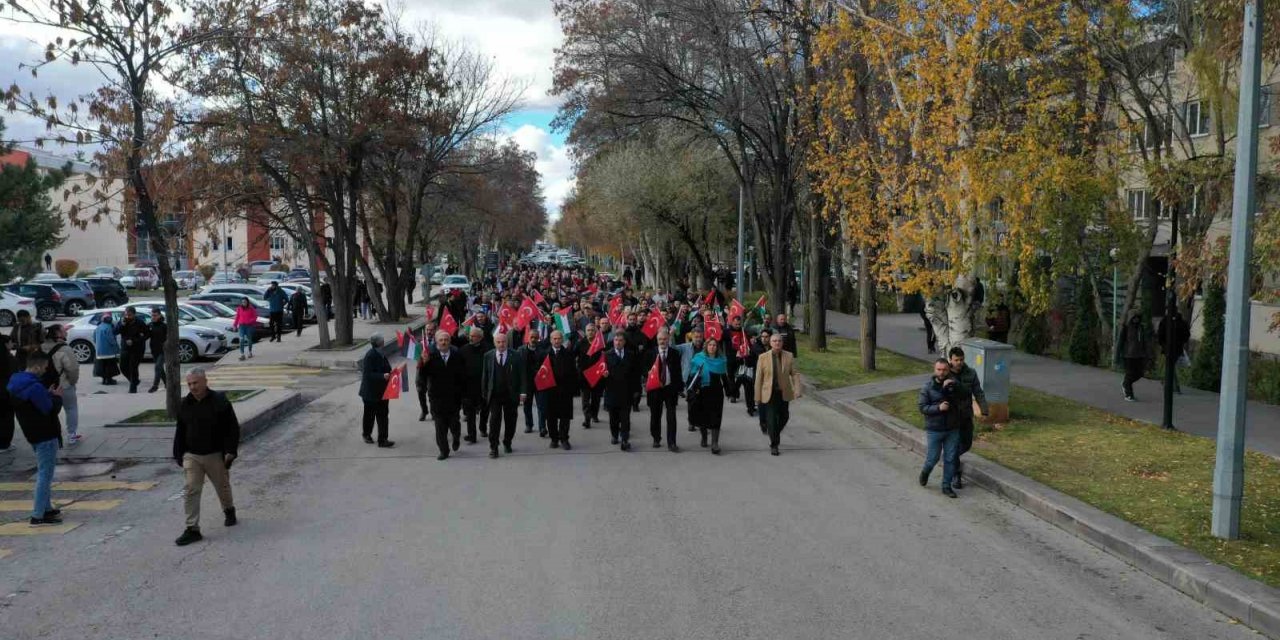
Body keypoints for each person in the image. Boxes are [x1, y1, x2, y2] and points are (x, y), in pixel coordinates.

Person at [172, 368, 241, 546]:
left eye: (195, 383)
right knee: (191, 489)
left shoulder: (219, 402)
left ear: (205, 381)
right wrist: (178, 453)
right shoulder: (185, 404)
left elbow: (232, 428)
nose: (192, 387)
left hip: (215, 454)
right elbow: (180, 430)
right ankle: (192, 529)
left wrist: (230, 451)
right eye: (189, 384)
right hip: (192, 455)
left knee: (222, 486)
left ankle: (229, 510)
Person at [7, 351, 63, 525]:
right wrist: (56, 397)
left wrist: (46, 394)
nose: (46, 370)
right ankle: (38, 514)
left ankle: (46, 508)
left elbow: (33, 404)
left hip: (32, 432)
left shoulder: (17, 383)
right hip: (45, 432)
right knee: (45, 474)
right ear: (37, 366)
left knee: (44, 471)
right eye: (45, 366)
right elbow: (49, 409)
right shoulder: (35, 387)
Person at [918, 359, 961, 498]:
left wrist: (952, 387)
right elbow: (922, 408)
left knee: (950, 458)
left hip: (952, 428)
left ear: (948, 370)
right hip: (935, 429)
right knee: (933, 458)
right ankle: (925, 472)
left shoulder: (954, 384)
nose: (942, 372)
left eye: (944, 370)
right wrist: (938, 408)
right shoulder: (927, 387)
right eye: (939, 369)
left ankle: (946, 486)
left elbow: (963, 396)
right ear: (934, 369)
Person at [947, 346, 987, 489]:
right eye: (956, 360)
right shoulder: (945, 374)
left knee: (967, 444)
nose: (959, 362)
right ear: (950, 360)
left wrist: (984, 409)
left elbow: (978, 392)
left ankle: (950, 457)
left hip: (966, 415)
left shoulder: (971, 373)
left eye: (961, 360)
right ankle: (956, 474)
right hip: (951, 417)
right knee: (955, 444)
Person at [481, 332, 525, 458]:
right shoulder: (488, 356)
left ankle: (507, 442)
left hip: (511, 395)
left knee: (511, 420)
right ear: (495, 343)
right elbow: (485, 375)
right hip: (495, 395)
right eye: (498, 342)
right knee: (494, 421)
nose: (501, 344)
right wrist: (484, 393)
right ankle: (493, 447)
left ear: (507, 342)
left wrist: (523, 392)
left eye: (503, 342)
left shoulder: (516, 355)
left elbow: (522, 375)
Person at [422, 330, 465, 460]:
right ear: (436, 343)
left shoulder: (457, 355)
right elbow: (423, 376)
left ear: (449, 342)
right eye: (441, 340)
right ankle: (443, 451)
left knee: (454, 424)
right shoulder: (430, 356)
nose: (444, 342)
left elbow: (463, 376)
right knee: (440, 427)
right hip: (437, 398)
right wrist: (424, 363)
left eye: (446, 340)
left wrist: (463, 394)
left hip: (454, 398)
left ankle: (456, 438)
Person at [755, 332, 798, 456]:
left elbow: (794, 373)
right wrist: (757, 396)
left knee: (785, 417)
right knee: (772, 419)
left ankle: (774, 433)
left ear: (782, 343)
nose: (777, 343)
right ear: (770, 343)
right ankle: (774, 444)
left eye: (779, 341)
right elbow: (759, 378)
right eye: (774, 341)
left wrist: (797, 389)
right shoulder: (763, 357)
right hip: (769, 393)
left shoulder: (788, 356)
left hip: (783, 392)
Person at [645, 329, 683, 452]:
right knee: (655, 415)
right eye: (660, 339)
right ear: (657, 340)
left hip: (670, 389)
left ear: (668, 340)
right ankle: (656, 438)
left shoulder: (674, 353)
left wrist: (679, 388)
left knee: (671, 417)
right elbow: (643, 368)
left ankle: (672, 442)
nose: (662, 341)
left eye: (665, 339)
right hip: (655, 389)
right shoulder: (651, 353)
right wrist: (647, 373)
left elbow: (678, 372)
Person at [689, 339, 729, 455]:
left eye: (714, 345)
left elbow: (724, 377)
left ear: (717, 347)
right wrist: (692, 389)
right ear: (706, 346)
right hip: (702, 391)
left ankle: (715, 443)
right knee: (703, 416)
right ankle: (704, 436)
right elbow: (692, 374)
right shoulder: (698, 358)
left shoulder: (721, 360)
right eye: (710, 345)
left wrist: (729, 390)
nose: (712, 347)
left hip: (716, 392)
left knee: (716, 416)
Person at [42, 325, 80, 446]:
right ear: (58, 333)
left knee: (48, 411)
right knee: (71, 408)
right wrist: (72, 382)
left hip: (45, 386)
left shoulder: (41, 347)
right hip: (63, 385)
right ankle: (71, 435)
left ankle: (50, 436)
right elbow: (73, 369)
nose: (66, 332)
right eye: (64, 331)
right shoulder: (65, 349)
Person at [543, 330, 579, 450]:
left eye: (559, 338)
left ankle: (564, 439)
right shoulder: (545, 354)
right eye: (554, 339)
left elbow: (574, 372)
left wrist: (573, 389)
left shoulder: (568, 354)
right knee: (551, 417)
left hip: (565, 390)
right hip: (550, 391)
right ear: (550, 340)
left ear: (562, 339)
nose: (557, 341)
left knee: (565, 417)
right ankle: (554, 439)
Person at [358, 334, 394, 448]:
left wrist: (392, 373)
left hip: (383, 391)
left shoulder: (381, 353)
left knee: (383, 415)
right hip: (370, 393)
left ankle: (383, 440)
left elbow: (387, 367)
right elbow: (368, 374)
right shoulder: (370, 355)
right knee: (369, 415)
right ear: (379, 343)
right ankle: (366, 434)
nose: (384, 341)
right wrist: (383, 376)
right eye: (382, 340)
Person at [459, 327, 493, 445]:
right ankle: (472, 435)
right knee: (470, 412)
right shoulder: (463, 350)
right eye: (470, 335)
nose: (471, 338)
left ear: (480, 337)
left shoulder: (488, 349)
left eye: (474, 336)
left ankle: (483, 428)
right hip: (469, 386)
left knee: (484, 409)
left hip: (484, 385)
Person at [603, 332, 637, 449]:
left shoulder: (630, 355)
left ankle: (625, 439)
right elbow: (601, 373)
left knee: (625, 418)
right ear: (613, 342)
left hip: (626, 391)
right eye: (616, 340)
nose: (618, 342)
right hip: (612, 391)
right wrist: (604, 376)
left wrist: (636, 390)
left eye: (620, 340)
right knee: (613, 417)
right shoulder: (607, 355)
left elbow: (634, 373)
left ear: (624, 342)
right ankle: (614, 435)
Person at [674, 329, 705, 433]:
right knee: (692, 401)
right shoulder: (685, 347)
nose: (698, 339)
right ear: (692, 337)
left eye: (700, 337)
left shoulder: (707, 347)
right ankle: (691, 422)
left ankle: (701, 422)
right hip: (689, 379)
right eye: (696, 337)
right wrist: (671, 335)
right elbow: (672, 348)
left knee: (702, 401)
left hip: (703, 378)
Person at [1117, 312, 1152, 402]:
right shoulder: (1126, 328)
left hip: (1139, 355)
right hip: (1129, 355)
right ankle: (1128, 394)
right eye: (1134, 318)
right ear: (1131, 318)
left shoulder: (1141, 328)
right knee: (1130, 374)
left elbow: (1145, 342)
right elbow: (1120, 342)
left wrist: (1148, 354)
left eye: (1138, 318)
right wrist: (1118, 355)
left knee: (1140, 374)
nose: (1136, 319)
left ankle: (1125, 384)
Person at [576, 323, 604, 429]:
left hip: (597, 375)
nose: (590, 332)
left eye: (592, 330)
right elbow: (573, 354)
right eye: (588, 330)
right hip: (584, 376)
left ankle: (594, 414)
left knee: (596, 398)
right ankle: (587, 418)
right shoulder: (580, 343)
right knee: (585, 399)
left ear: (596, 331)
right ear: (585, 331)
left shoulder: (600, 344)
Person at [1158, 309, 1191, 394]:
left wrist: (1163, 344)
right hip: (1177, 348)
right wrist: (1181, 342)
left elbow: (1160, 335)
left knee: (1170, 366)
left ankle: (1172, 386)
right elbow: (1186, 335)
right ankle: (1171, 385)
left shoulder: (1165, 321)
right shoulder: (1181, 322)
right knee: (1170, 366)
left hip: (1168, 348)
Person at [520, 331, 547, 436]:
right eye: (531, 337)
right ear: (528, 337)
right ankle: (529, 425)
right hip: (526, 383)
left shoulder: (543, 352)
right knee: (527, 405)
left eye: (535, 337)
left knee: (542, 406)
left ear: (538, 338)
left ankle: (542, 427)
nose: (533, 339)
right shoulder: (521, 350)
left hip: (540, 382)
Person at [117, 307, 147, 393]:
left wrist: (134, 341)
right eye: (126, 314)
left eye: (129, 315)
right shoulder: (123, 321)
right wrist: (121, 325)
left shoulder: (140, 323)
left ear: (134, 314)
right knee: (122, 367)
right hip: (125, 348)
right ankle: (135, 381)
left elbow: (146, 334)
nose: (127, 316)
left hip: (137, 348)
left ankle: (133, 388)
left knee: (133, 367)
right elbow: (115, 331)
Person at [92, 314, 121, 384]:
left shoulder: (98, 327)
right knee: (109, 366)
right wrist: (117, 348)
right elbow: (111, 339)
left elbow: (94, 338)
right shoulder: (108, 328)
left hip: (99, 352)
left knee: (102, 366)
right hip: (108, 351)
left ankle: (104, 380)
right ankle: (109, 380)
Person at [0, 336, 14, 453]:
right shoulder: (8, 359)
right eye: (10, 342)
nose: (12, 344)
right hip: (5, 393)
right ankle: (4, 444)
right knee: (7, 419)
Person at [148, 309, 167, 393]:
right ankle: (167, 383)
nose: (153, 317)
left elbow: (168, 337)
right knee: (160, 369)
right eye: (152, 315)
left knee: (158, 367)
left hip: (163, 350)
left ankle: (155, 385)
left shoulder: (164, 326)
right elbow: (145, 334)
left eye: (155, 315)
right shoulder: (150, 325)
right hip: (154, 350)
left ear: (159, 315)